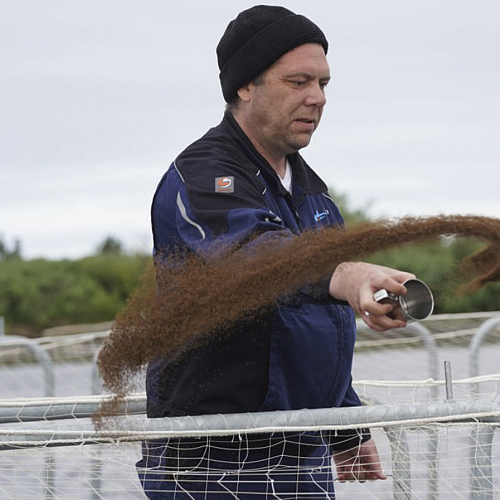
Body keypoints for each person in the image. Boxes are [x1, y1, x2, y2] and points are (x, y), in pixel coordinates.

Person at [137, 5, 415, 498]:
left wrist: (343, 427)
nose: (317, 98)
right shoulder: (203, 177)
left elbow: (312, 330)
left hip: (299, 454)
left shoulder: (313, 195)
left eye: (324, 84)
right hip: (214, 460)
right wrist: (346, 275)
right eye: (298, 82)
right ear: (245, 85)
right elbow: (255, 257)